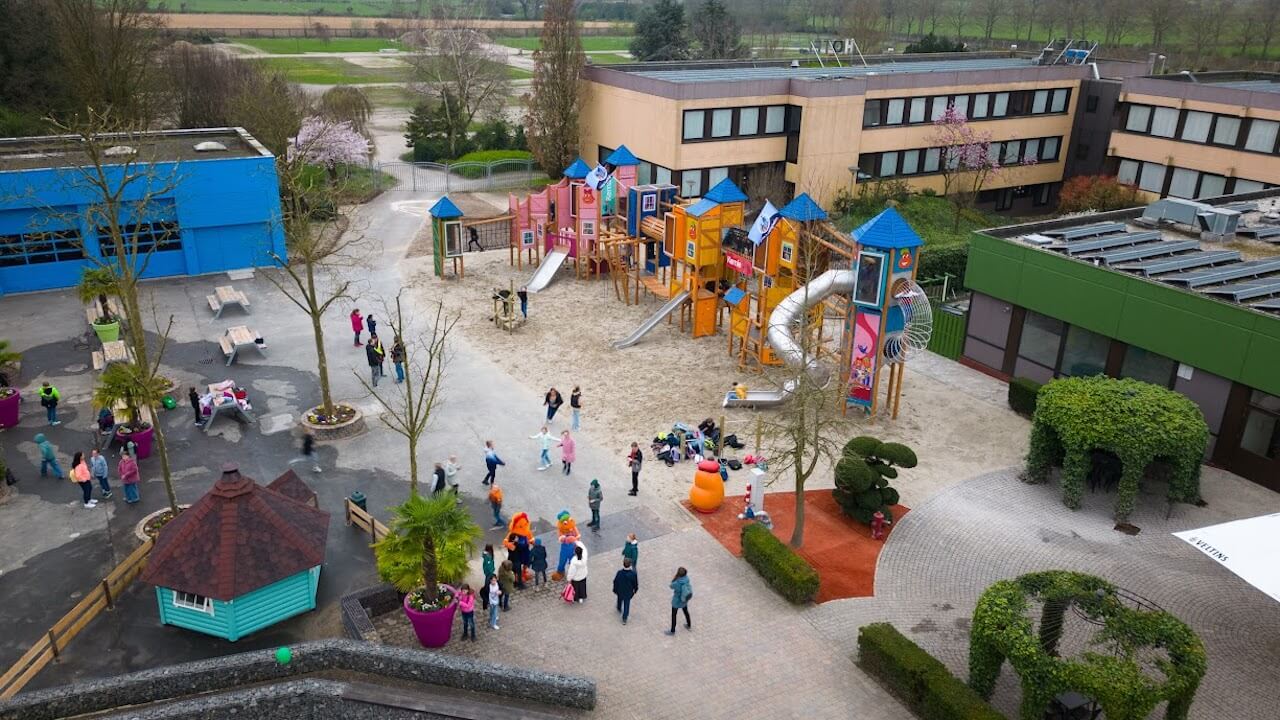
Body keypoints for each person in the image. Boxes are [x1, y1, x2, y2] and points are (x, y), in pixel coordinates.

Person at [666, 567, 693, 635]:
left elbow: (671, 586)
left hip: (677, 601)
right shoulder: (687, 579)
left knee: (674, 615)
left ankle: (672, 630)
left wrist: (675, 578)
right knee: (686, 611)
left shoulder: (677, 583)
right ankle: (689, 624)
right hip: (684, 600)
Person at [612, 559, 639, 625]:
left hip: (620, 590)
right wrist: (635, 590)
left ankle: (619, 608)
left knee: (619, 599)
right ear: (630, 565)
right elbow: (635, 583)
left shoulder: (619, 573)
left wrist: (615, 589)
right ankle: (624, 618)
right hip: (628, 592)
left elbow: (615, 581)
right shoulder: (633, 574)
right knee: (626, 604)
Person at [481, 544, 496, 611]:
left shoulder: (487, 555)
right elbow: (488, 566)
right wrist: (492, 570)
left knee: (488, 584)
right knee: (487, 586)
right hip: (489, 573)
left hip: (488, 573)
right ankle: (486, 601)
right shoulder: (488, 557)